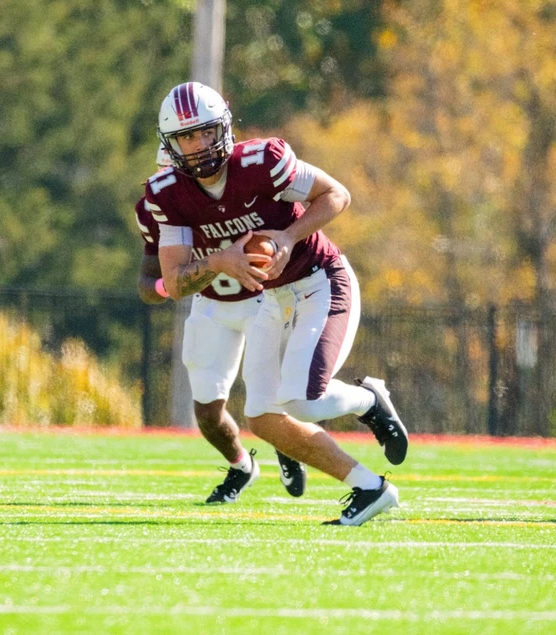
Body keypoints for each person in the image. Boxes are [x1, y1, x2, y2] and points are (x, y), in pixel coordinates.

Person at [148, 81, 407, 526]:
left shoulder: (261, 162)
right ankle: (369, 487)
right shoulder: (167, 194)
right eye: (187, 137)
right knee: (264, 418)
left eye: (206, 132)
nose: (199, 145)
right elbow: (173, 282)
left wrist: (288, 236)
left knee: (302, 400)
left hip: (321, 281)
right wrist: (220, 261)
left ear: (224, 128)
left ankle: (368, 399)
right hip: (272, 298)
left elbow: (336, 194)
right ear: (170, 145)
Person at [134, 144, 307, 504]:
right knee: (207, 412)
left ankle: (286, 445)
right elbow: (147, 284)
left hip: (262, 298)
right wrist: (174, 283)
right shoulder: (160, 206)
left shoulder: (237, 186)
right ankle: (242, 466)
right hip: (210, 304)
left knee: (268, 398)